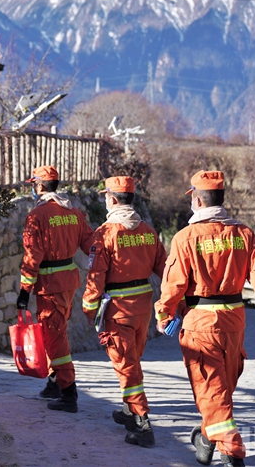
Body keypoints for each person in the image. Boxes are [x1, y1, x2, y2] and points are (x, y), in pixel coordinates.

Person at [155, 170, 255, 467]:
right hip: (234, 323)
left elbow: (173, 285)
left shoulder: (185, 237)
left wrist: (163, 315)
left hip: (200, 325)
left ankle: (233, 453)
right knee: (219, 392)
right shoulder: (243, 234)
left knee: (213, 393)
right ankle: (206, 440)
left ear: (198, 201)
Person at [82, 176, 167, 448]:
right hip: (143, 309)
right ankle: (130, 410)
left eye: (106, 197)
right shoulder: (148, 232)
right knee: (132, 362)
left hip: (118, 312)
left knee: (126, 367)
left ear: (112, 199)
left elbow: (96, 277)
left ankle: (142, 423)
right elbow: (166, 270)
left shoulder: (105, 234)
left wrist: (89, 309)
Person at [17, 165, 94, 413]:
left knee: (54, 337)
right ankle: (54, 383)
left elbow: (32, 257)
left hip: (49, 285)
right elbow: (91, 245)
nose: (33, 188)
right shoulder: (73, 212)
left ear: (39, 186)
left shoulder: (37, 216)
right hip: (68, 281)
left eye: (33, 184)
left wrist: (24, 290)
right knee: (55, 332)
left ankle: (68, 393)